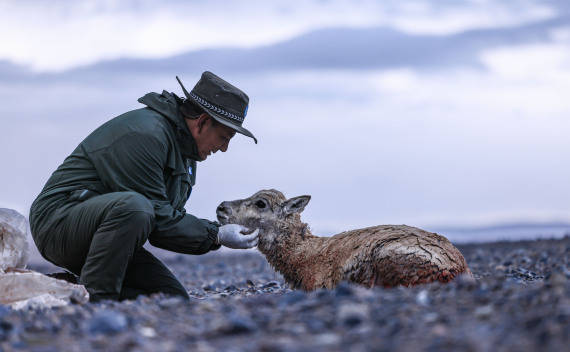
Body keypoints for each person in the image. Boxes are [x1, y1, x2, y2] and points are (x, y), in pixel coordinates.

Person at [29, 71, 259, 302]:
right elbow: (156, 217)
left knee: (170, 298)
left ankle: (59, 290)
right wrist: (216, 235)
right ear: (202, 122)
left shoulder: (187, 152)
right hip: (57, 223)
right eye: (224, 137)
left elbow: (164, 222)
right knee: (136, 207)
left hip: (107, 234)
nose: (224, 148)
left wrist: (214, 235)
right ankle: (97, 301)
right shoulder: (147, 134)